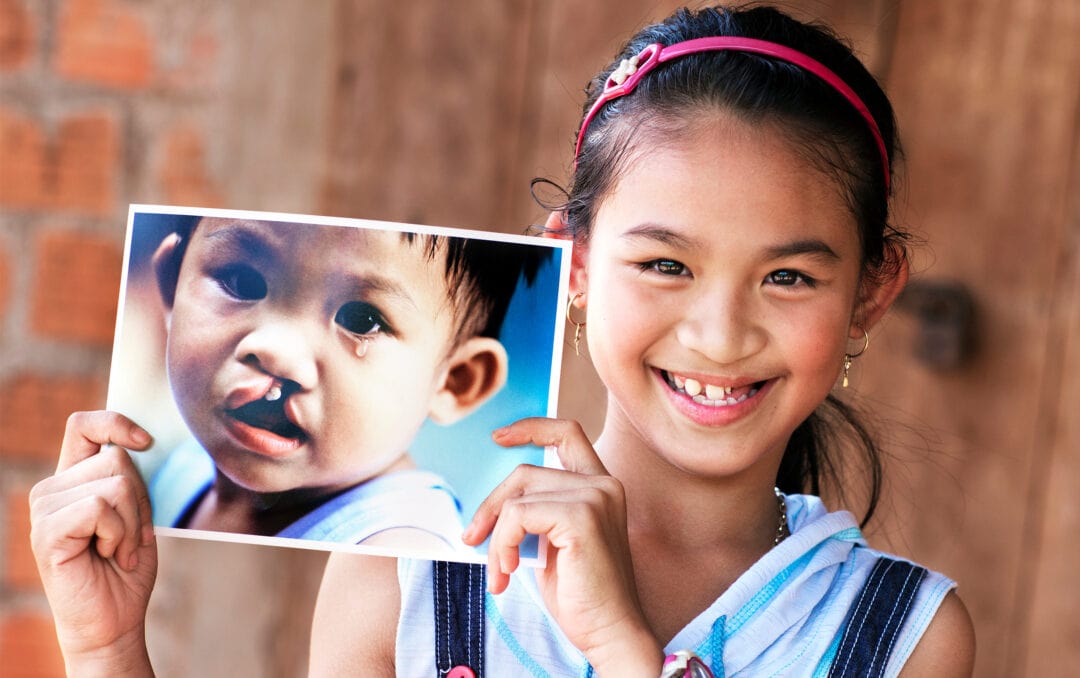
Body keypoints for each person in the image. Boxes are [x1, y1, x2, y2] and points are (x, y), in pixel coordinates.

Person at [29, 5, 975, 677]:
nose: (719, 333)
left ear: (869, 296)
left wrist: (620, 651)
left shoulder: (900, 639)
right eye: (665, 265)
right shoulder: (412, 578)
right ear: (571, 264)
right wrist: (105, 651)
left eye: (788, 278)